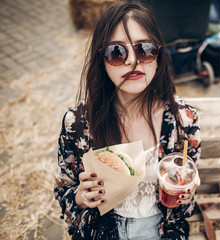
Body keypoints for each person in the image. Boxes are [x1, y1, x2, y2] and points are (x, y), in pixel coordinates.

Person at [54, 1, 201, 239]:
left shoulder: (183, 120)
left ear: (159, 55)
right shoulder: (78, 123)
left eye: (145, 49)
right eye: (117, 52)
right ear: (101, 60)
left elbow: (185, 206)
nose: (133, 60)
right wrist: (81, 197)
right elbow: (64, 194)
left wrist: (186, 194)